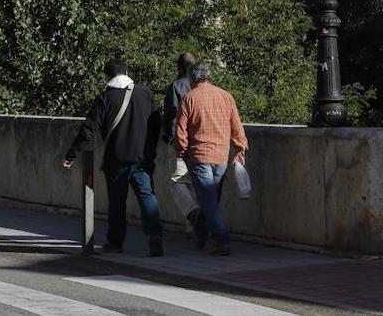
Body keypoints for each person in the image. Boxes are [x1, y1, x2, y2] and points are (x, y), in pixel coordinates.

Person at [62, 59, 163, 256]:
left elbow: (88, 130)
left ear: (107, 76)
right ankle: (154, 235)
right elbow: (156, 123)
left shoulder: (105, 98)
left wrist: (72, 155)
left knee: (117, 201)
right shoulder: (145, 93)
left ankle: (116, 242)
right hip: (142, 157)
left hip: (116, 159)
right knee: (147, 195)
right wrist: (150, 150)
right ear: (127, 71)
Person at [174, 61, 247, 255]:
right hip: (221, 156)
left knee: (208, 201)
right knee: (211, 199)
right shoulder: (225, 96)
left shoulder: (189, 98)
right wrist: (240, 148)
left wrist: (182, 152)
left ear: (192, 78)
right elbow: (236, 126)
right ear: (208, 76)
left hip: (199, 156)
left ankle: (222, 240)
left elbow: (180, 132)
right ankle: (202, 237)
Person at [163, 52, 201, 238]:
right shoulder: (205, 87)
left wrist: (170, 138)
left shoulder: (177, 86)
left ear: (180, 67)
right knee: (197, 184)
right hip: (202, 142)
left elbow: (171, 115)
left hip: (181, 142)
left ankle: (193, 214)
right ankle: (194, 227)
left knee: (177, 181)